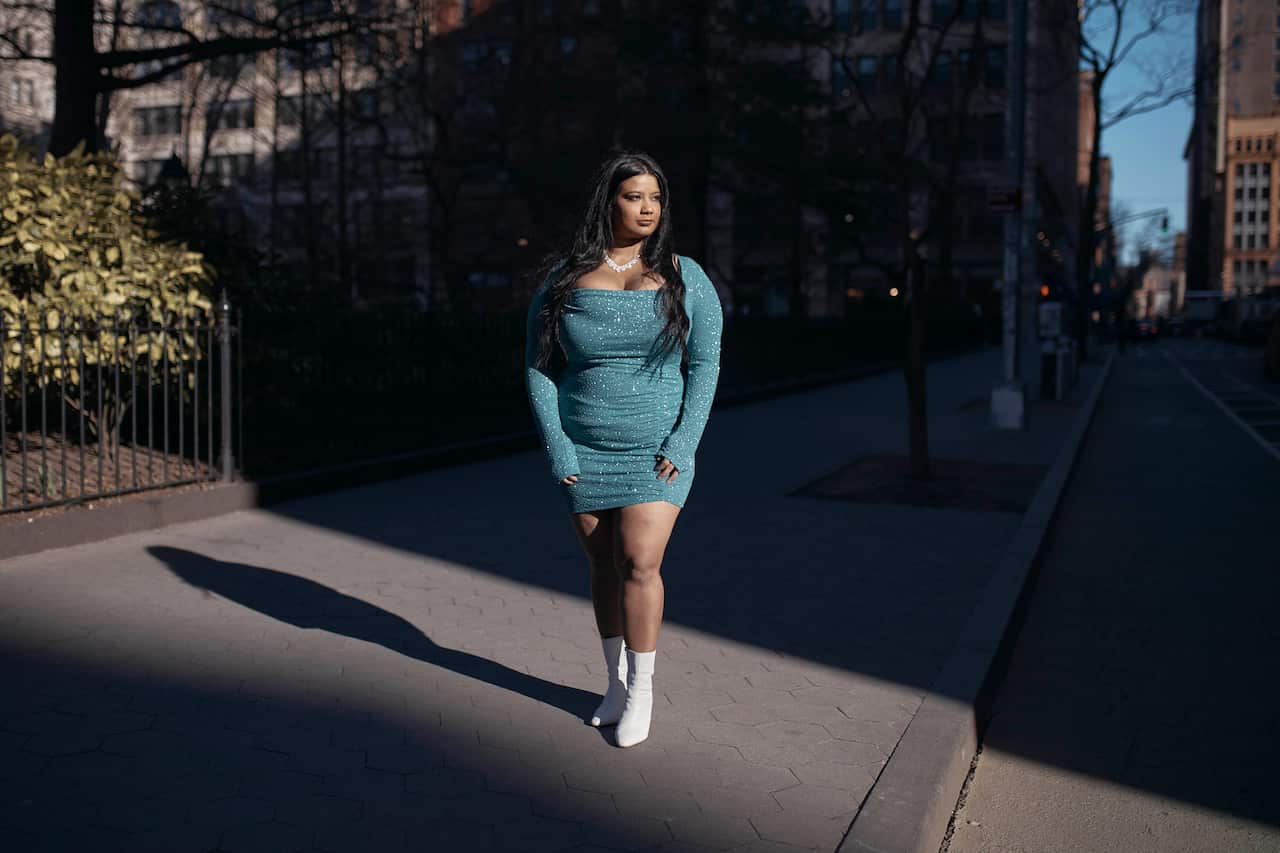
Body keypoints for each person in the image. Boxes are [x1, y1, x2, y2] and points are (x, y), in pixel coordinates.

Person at [523, 151, 723, 748]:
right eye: (635, 196)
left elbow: (705, 364)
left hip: (657, 451)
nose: (648, 209)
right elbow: (539, 368)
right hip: (584, 449)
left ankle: (642, 694)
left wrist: (684, 441)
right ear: (608, 202)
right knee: (603, 565)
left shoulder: (686, 277)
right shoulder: (564, 278)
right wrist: (559, 448)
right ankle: (614, 684)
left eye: (656, 199)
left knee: (639, 561)